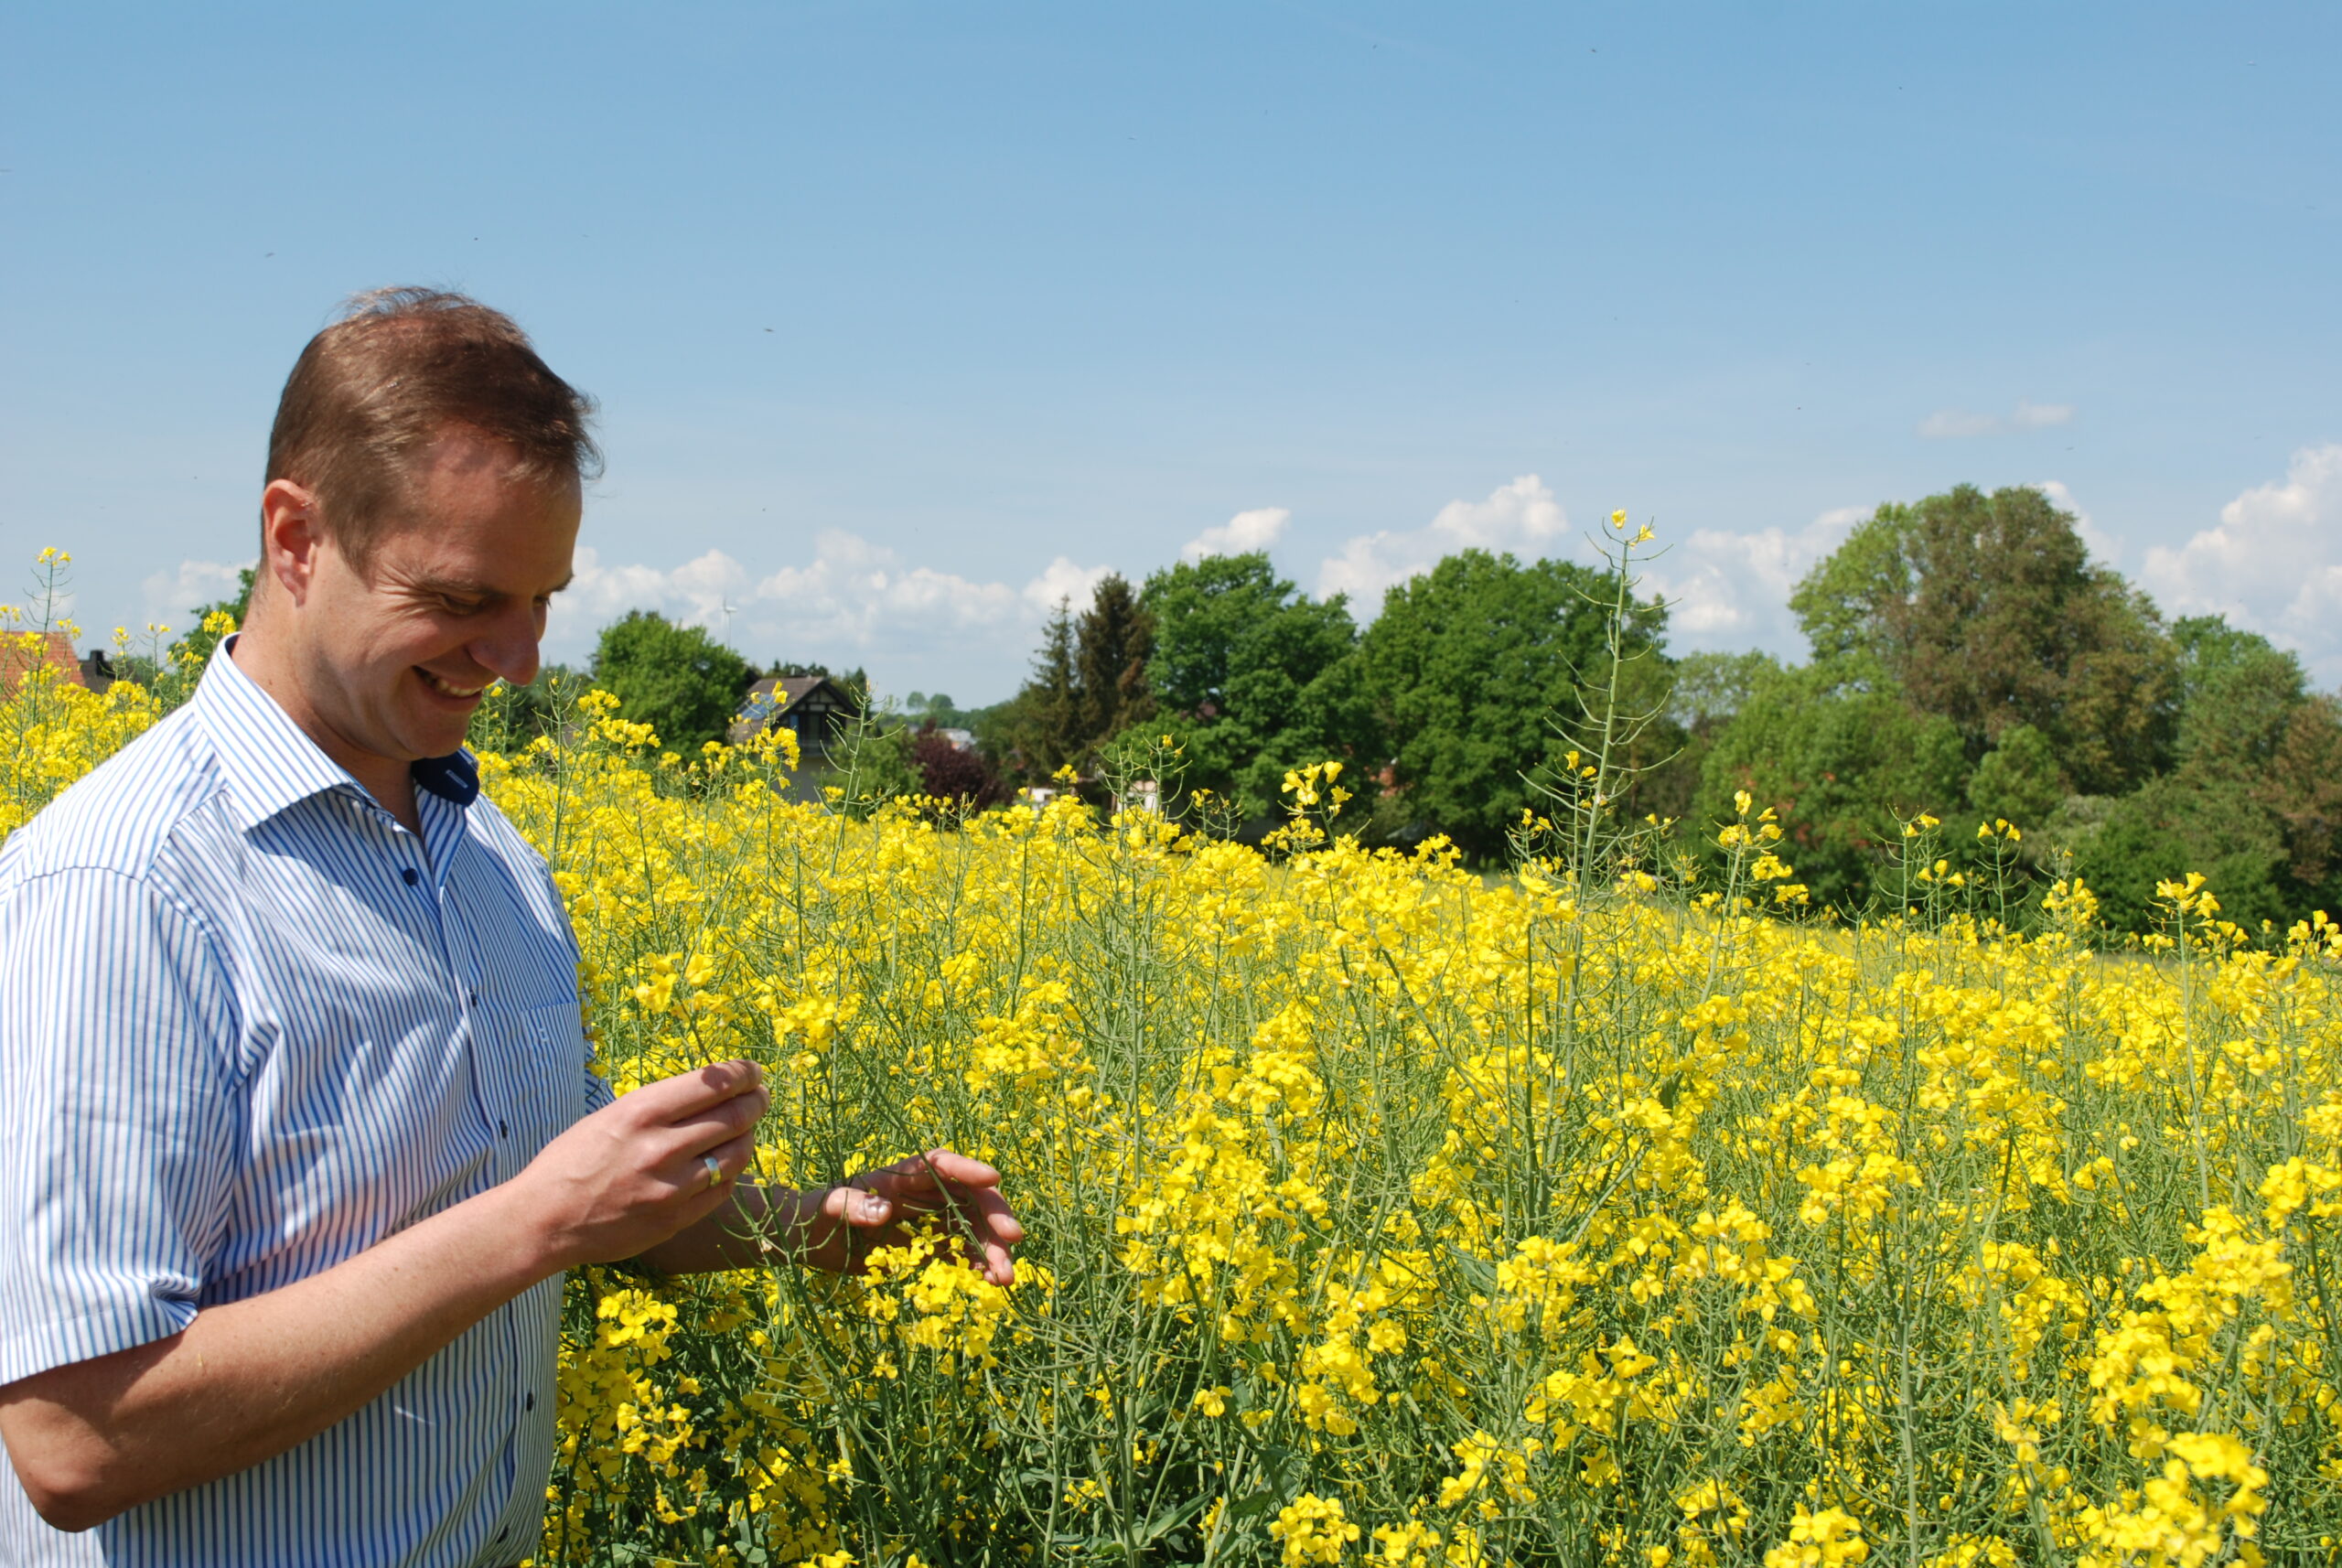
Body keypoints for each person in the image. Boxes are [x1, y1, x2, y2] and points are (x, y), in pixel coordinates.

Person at [0, 288, 1023, 1566]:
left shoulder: (490, 857)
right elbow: (73, 1437)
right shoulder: (124, 885)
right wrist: (535, 1220)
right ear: (296, 537)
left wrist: (823, 1219)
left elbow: (571, 1202)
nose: (524, 658)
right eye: (467, 596)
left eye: (545, 598)